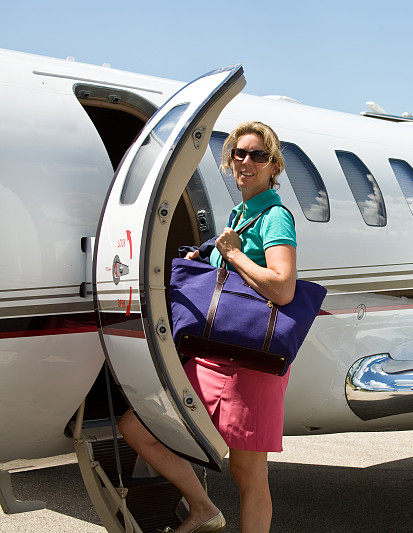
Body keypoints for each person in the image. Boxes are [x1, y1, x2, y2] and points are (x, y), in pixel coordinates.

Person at [119, 121, 297, 533]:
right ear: (229, 159)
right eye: (239, 153)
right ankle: (202, 509)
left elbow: (283, 286)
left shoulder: (275, 217)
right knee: (136, 427)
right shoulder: (241, 214)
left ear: (274, 166)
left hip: (252, 362)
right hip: (214, 357)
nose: (247, 161)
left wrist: (232, 255)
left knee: (248, 475)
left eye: (258, 155)